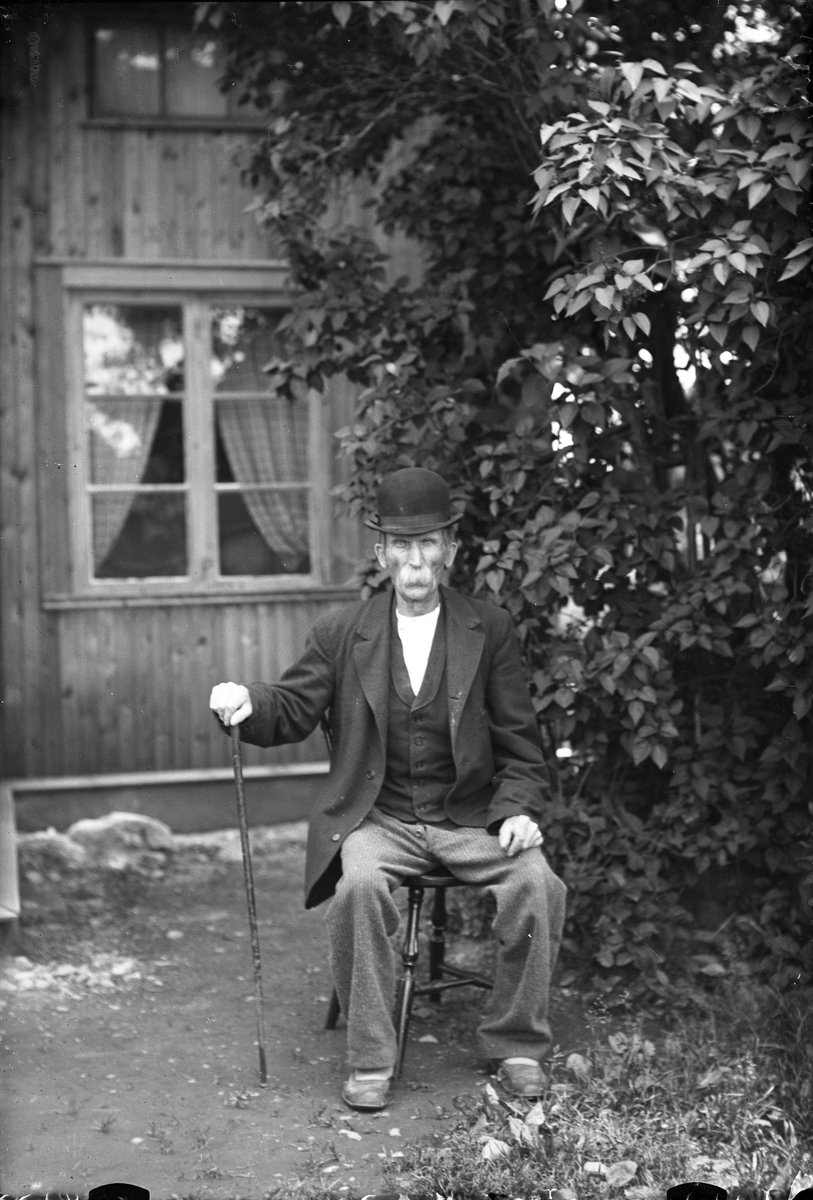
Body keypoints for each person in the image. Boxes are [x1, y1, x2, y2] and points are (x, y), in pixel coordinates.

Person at [209, 467, 567, 1111]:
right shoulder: (342, 633)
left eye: (428, 543)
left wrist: (516, 810)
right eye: (402, 544)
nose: (415, 560)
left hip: (469, 819)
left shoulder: (489, 628)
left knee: (538, 884)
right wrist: (248, 701)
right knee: (359, 888)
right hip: (378, 819)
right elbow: (291, 706)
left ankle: (516, 1042)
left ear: (450, 549)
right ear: (381, 554)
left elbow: (521, 745)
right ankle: (371, 1057)